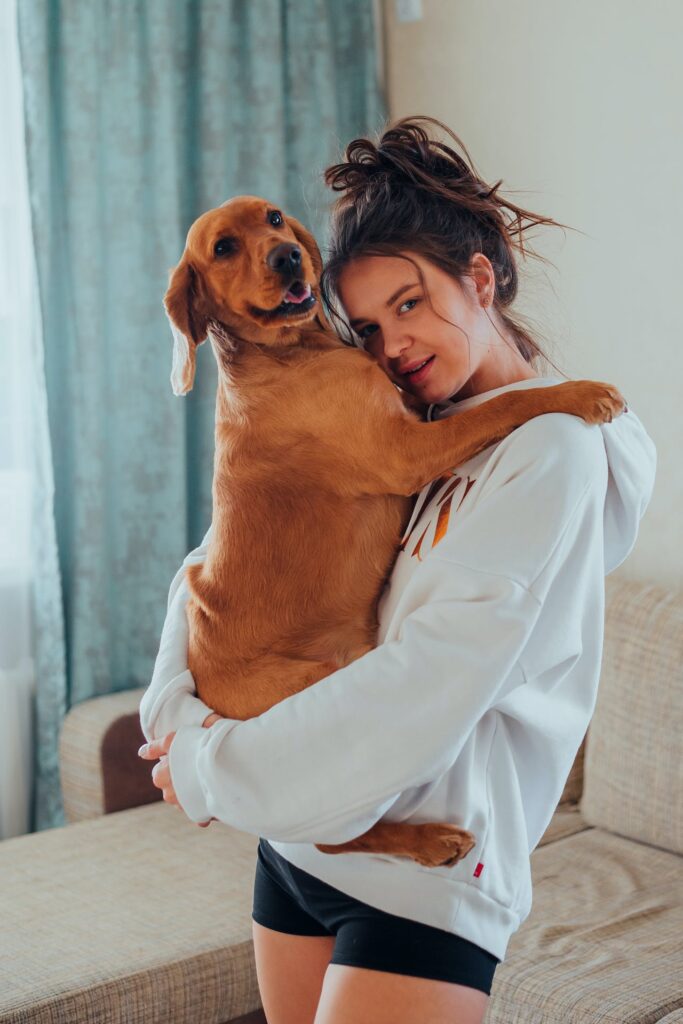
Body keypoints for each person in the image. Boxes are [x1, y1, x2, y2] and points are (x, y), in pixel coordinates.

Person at [138, 117, 656, 1024]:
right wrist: (171, 716)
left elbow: (422, 687)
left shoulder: (554, 452)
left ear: (481, 278)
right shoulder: (413, 416)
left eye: (410, 305)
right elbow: (217, 566)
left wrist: (208, 767)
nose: (390, 346)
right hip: (298, 848)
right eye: (368, 325)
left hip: (427, 885)